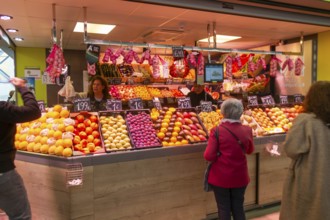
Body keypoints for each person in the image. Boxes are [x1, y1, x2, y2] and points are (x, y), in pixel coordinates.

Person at [279, 81, 330, 220]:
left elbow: (291, 149)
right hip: (326, 181)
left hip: (309, 178)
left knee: (305, 212)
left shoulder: (306, 121)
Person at [204, 98, 254, 220]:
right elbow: (250, 150)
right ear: (241, 112)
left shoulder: (216, 131)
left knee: (223, 208)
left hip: (221, 177)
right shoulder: (247, 130)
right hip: (240, 176)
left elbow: (208, 156)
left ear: (223, 112)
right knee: (238, 207)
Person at [0, 77, 41, 220]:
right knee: (20, 216)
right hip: (2, 172)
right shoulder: (2, 109)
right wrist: (22, 88)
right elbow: (33, 111)